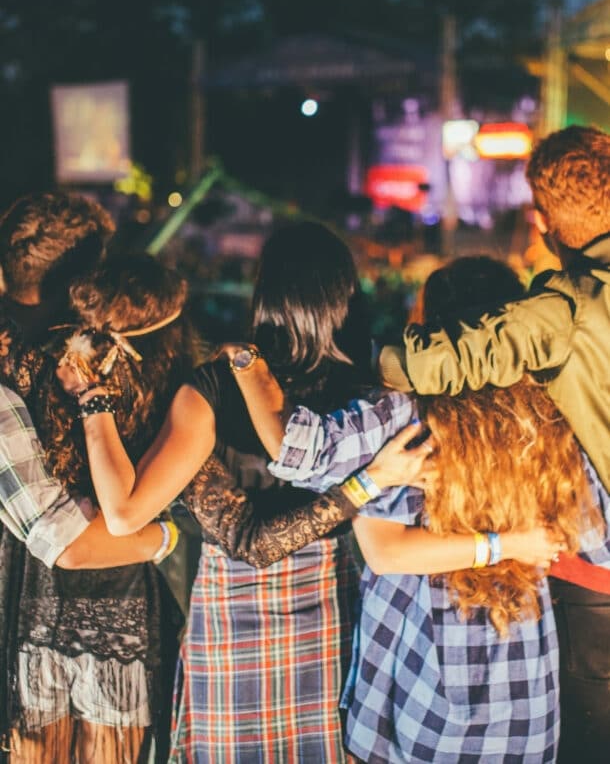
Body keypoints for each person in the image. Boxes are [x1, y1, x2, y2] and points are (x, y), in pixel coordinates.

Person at [55, 221, 434, 763]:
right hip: (336, 603)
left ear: (265, 297)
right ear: (346, 298)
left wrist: (93, 398)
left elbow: (125, 514)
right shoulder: (373, 395)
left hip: (233, 616)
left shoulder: (216, 384)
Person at [233, 256, 609, 762]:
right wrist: (521, 539)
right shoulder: (551, 412)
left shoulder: (402, 411)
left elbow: (299, 452)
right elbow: (597, 539)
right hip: (520, 680)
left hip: (421, 677)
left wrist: (244, 360)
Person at [378, 125, 610, 762]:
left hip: (596, 593)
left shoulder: (570, 308)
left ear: (546, 218)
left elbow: (432, 364)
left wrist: (359, 362)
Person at [0, 201, 185, 763]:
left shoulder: (21, 360)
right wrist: (168, 538)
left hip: (34, 632)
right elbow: (72, 546)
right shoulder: (130, 362)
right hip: (112, 624)